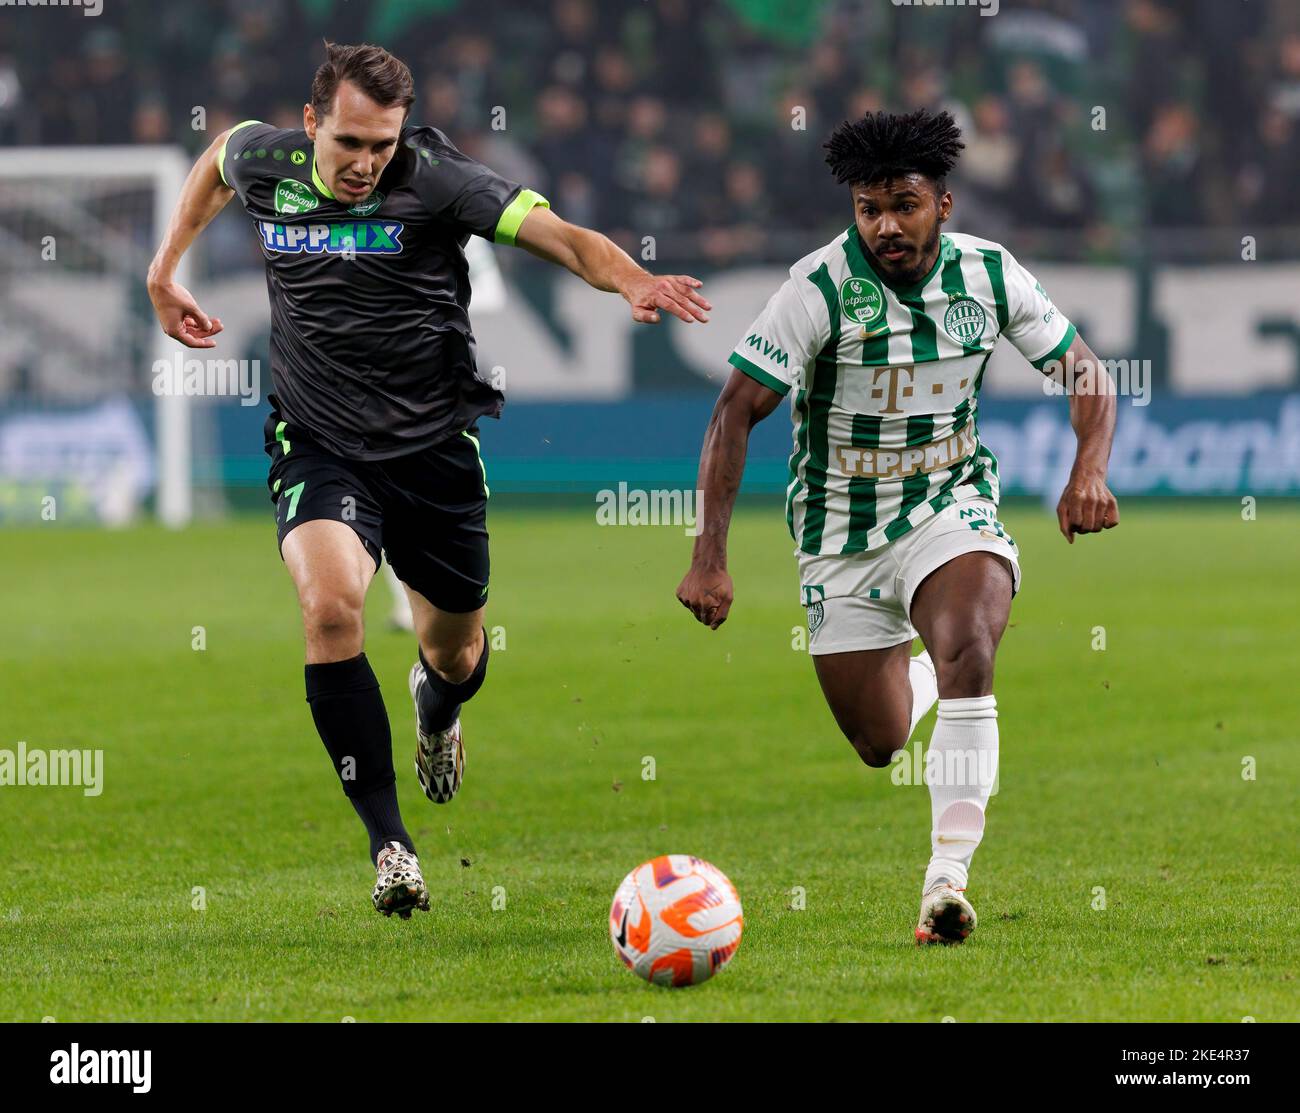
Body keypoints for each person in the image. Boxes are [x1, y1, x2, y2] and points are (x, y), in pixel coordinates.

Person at [147, 42, 710, 919]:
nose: (366, 163)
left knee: (457, 653)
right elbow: (215, 162)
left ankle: (437, 710)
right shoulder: (268, 159)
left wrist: (629, 277)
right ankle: (391, 845)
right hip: (316, 441)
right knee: (332, 607)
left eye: (381, 144)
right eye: (349, 144)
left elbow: (558, 234)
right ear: (309, 125)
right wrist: (165, 267)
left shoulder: (439, 179)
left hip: (433, 451)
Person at [676, 109, 1118, 944]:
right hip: (839, 527)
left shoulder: (989, 276)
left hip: (951, 501)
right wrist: (710, 558)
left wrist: (1087, 469)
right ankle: (920, 675)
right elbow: (734, 413)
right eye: (868, 208)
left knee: (972, 650)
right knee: (879, 741)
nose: (885, 225)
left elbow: (1086, 370)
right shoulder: (816, 288)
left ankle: (945, 882)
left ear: (943, 204)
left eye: (904, 205)